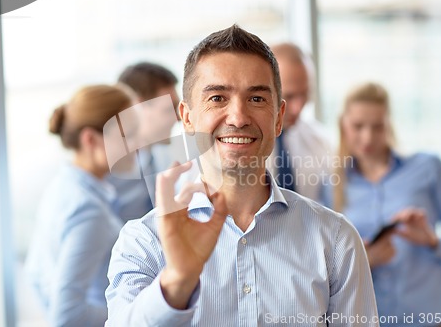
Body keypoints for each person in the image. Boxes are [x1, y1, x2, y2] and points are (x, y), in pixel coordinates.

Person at [105, 25, 378, 326]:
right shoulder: (143, 242)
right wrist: (177, 282)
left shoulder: (337, 240)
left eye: (257, 99)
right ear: (186, 117)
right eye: (218, 98)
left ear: (278, 118)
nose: (238, 117)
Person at [323, 82, 441, 326]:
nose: (368, 137)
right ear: (343, 124)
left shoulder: (428, 167)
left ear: (389, 124)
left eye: (378, 126)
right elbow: (324, 273)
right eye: (358, 126)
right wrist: (365, 260)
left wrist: (433, 241)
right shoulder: (330, 186)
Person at [25, 85, 135, 326]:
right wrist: (133, 312)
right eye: (128, 135)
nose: (138, 146)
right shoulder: (89, 210)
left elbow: (36, 273)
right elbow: (66, 316)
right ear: (90, 139)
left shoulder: (63, 187)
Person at [109, 62, 180, 222]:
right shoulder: (108, 174)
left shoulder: (159, 158)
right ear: (137, 107)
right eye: (170, 109)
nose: (179, 118)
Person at [266, 43, 332, 201]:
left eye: (305, 94)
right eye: (289, 96)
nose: (298, 108)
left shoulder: (320, 142)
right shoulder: (236, 145)